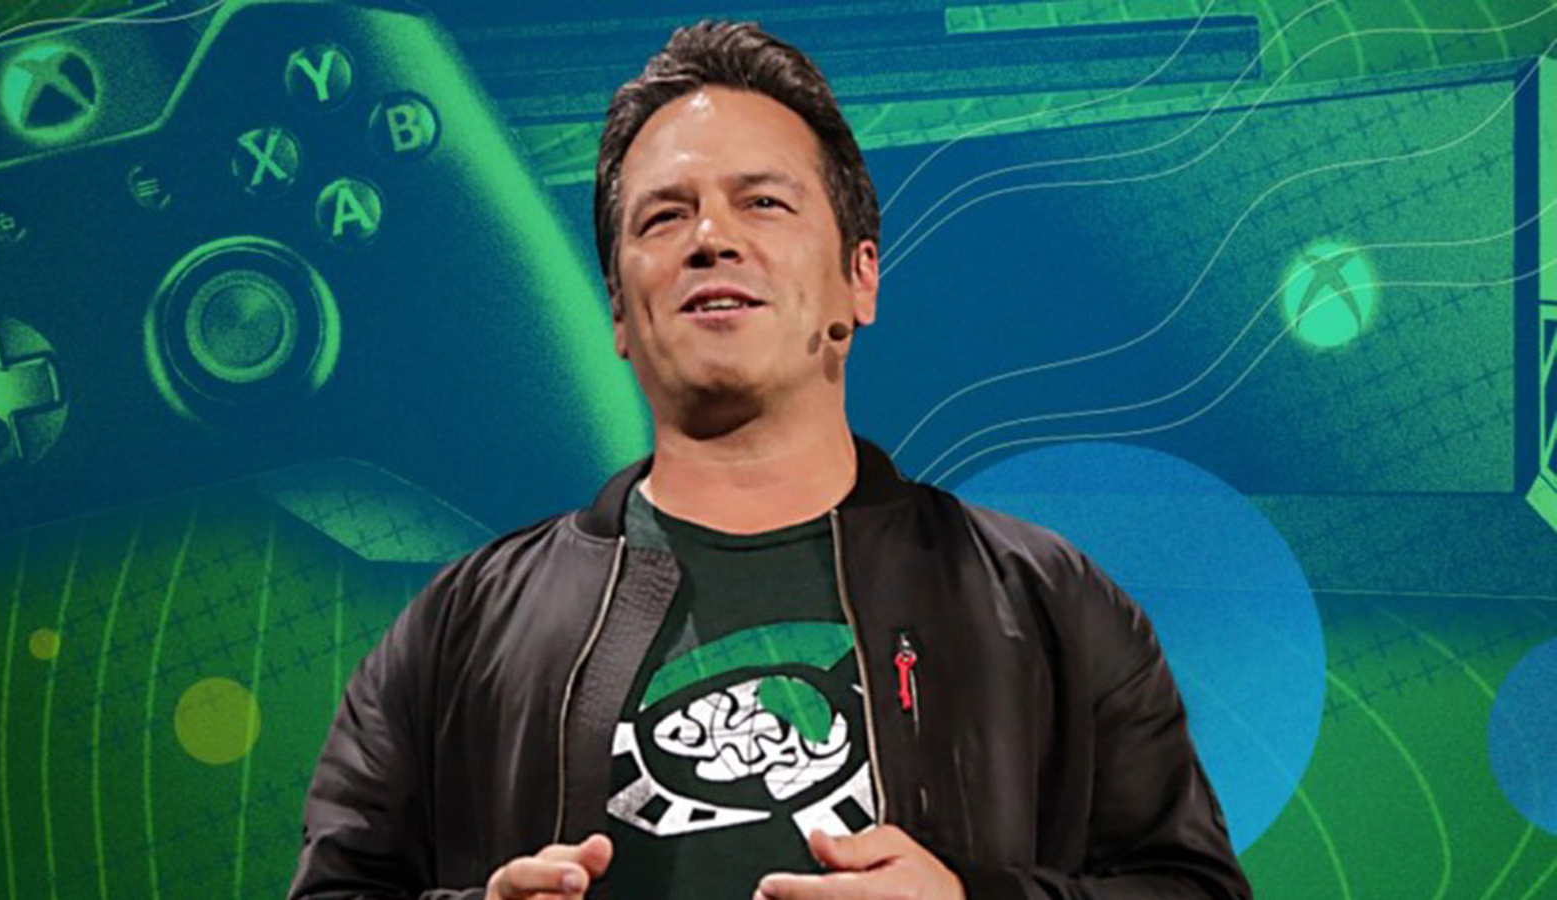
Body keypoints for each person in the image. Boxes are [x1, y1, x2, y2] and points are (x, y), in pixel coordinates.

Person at [287, 20, 1252, 900]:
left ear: (859, 279)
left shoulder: (1049, 606)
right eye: (664, 218)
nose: (712, 239)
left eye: (762, 202)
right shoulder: (456, 632)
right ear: (618, 313)